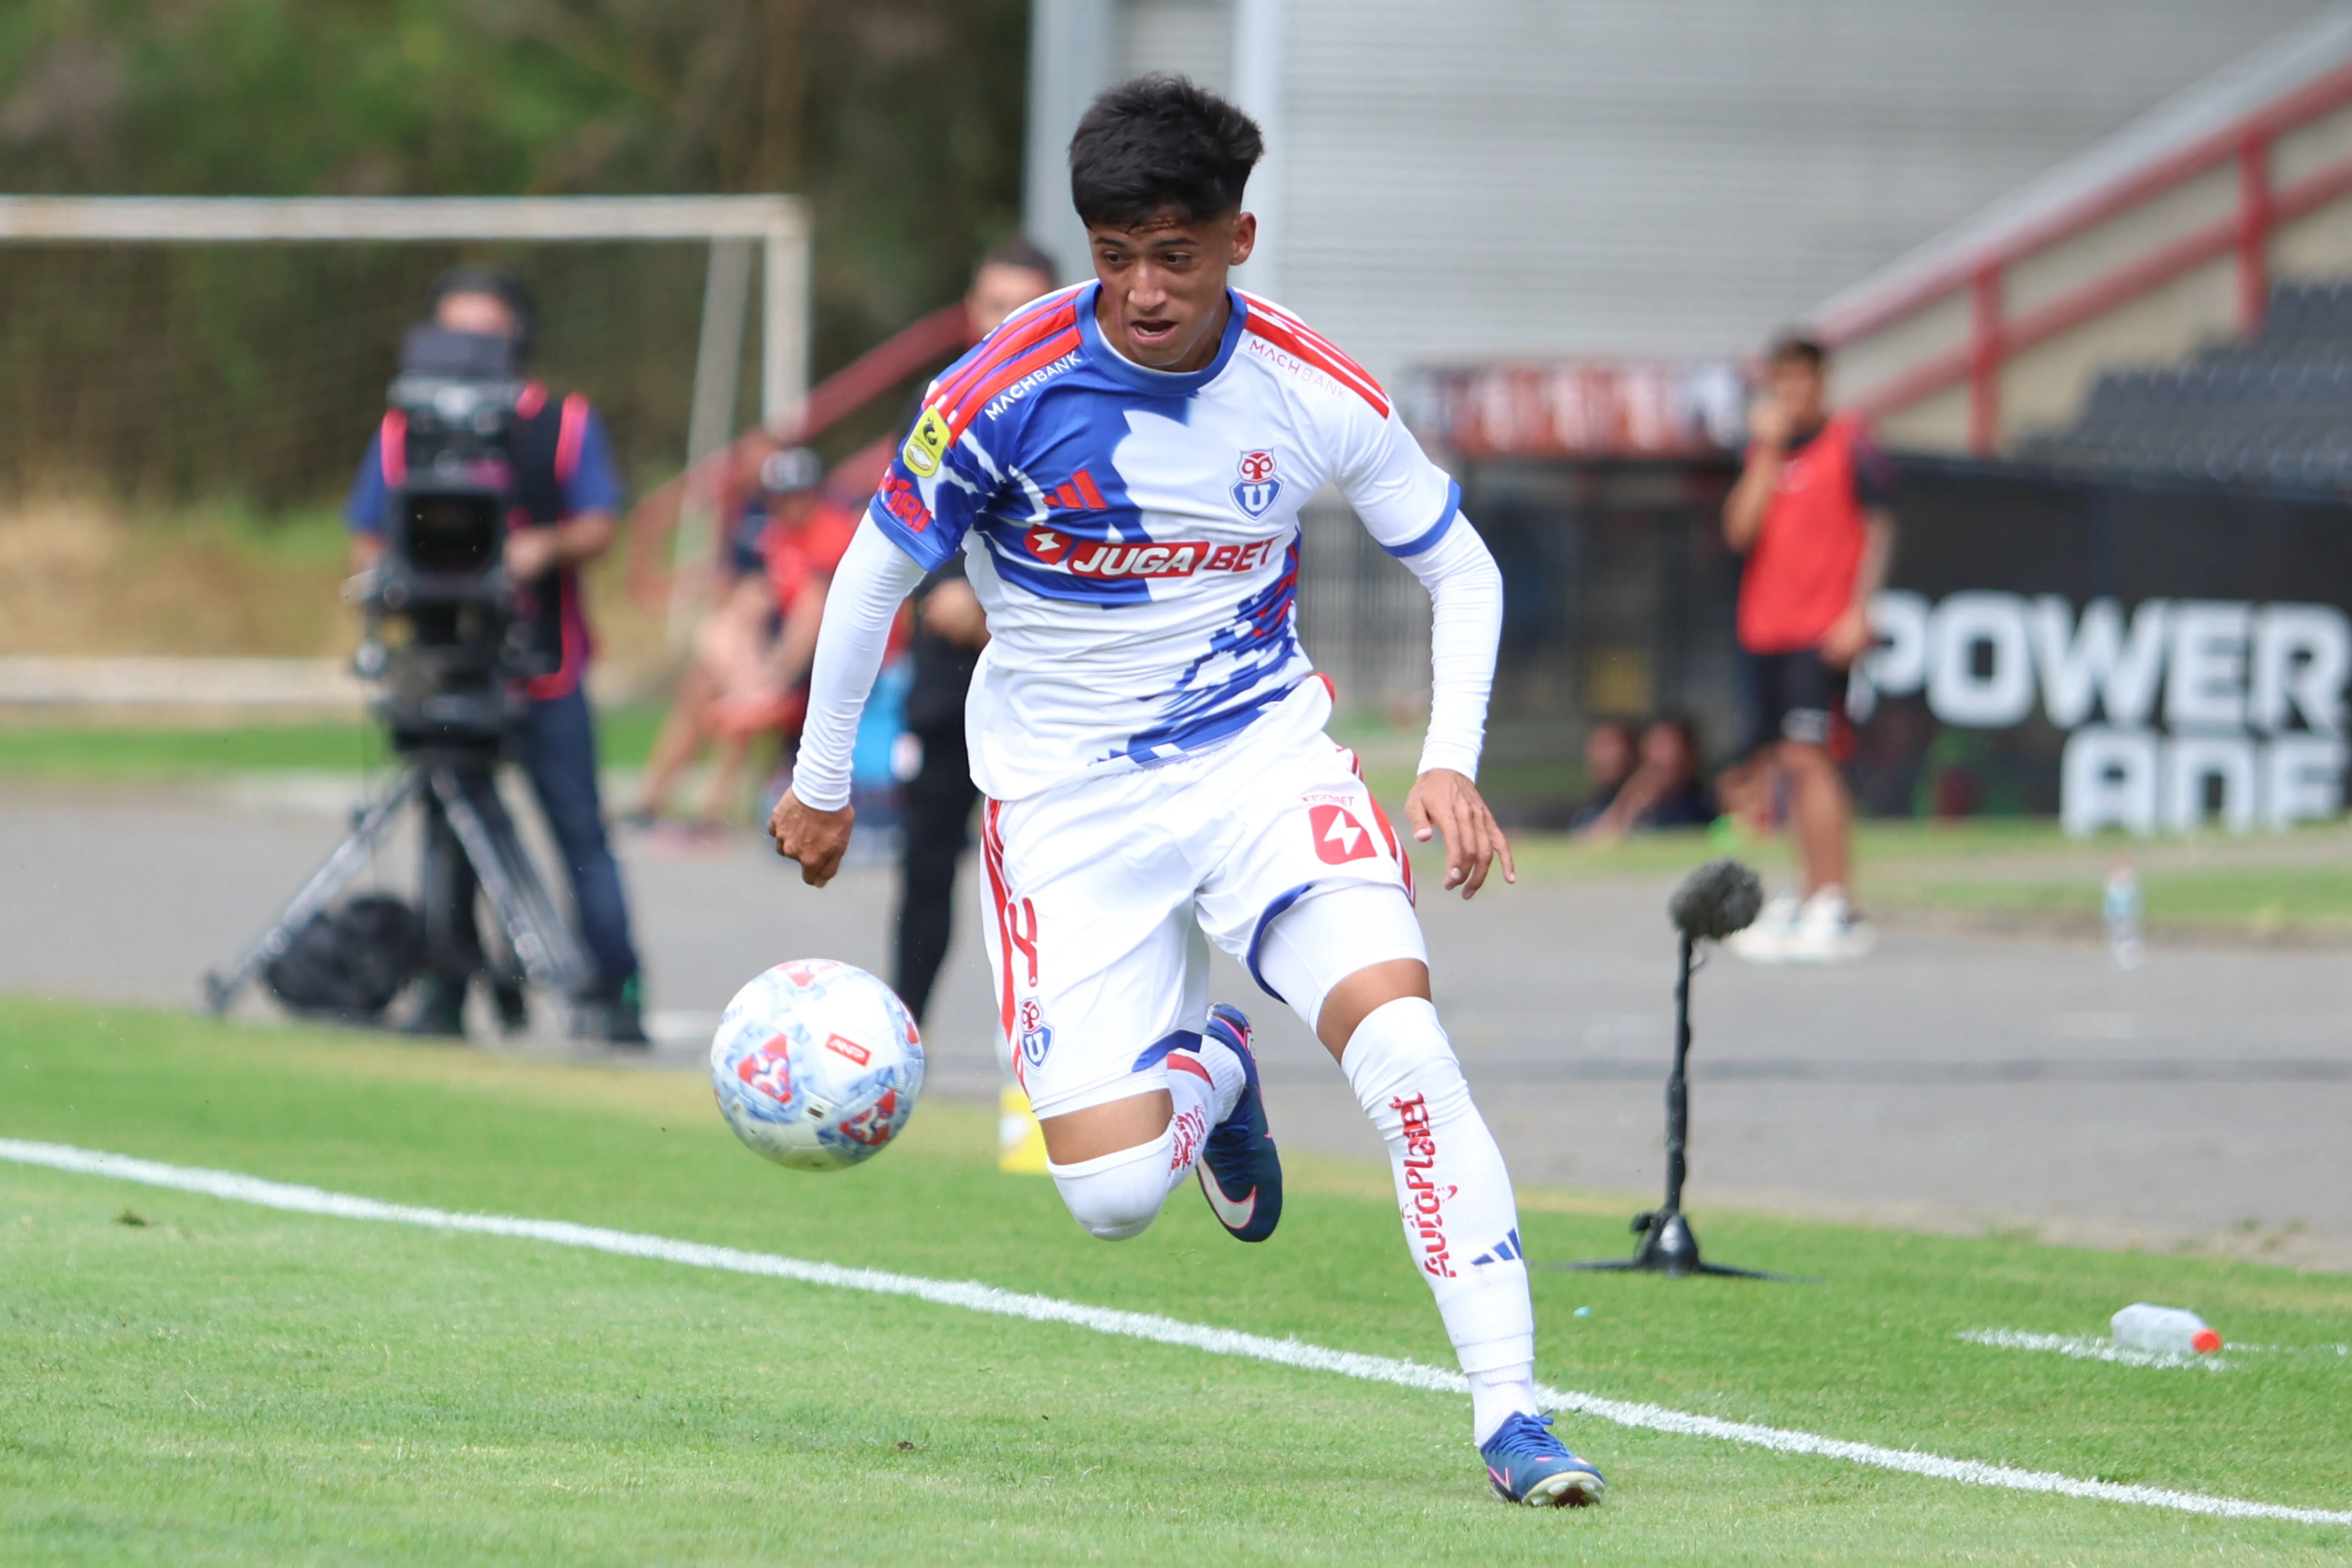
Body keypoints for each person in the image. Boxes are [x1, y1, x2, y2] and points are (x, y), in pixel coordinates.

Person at [767, 76, 1606, 1507]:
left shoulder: (1311, 386)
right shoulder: (994, 392)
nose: (1145, 291)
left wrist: (1448, 758)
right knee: (1106, 1198)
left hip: (1258, 764)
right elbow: (871, 576)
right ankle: (1212, 1067)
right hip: (1065, 805)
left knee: (1403, 1045)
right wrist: (821, 780)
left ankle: (1512, 1409)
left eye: (1176, 254)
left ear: (1238, 239)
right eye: (1116, 257)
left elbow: (1458, 566)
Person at [345, 266, 646, 1042]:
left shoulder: (563, 423)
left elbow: (600, 522)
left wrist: (536, 550)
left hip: (544, 666)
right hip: (445, 668)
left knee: (580, 835)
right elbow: (366, 538)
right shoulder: (403, 429)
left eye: (485, 334)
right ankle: (446, 988)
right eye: (454, 333)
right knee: (449, 837)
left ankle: (615, 990)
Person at [894, 239, 1060, 1027]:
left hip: (1050, 696)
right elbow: (898, 529)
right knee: (926, 872)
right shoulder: (939, 406)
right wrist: (946, 589)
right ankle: (901, 1037)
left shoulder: (1084, 409)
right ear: (971, 310)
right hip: (949, 691)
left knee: (1049, 880)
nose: (1007, 324)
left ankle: (1051, 1054)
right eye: (996, 306)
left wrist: (997, 610)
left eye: (1025, 308)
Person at [1720, 333, 1896, 963]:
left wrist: (1859, 610)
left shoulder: (1850, 443)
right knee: (1786, 764)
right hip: (1765, 628)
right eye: (1782, 382)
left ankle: (1836, 899)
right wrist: (1767, 451)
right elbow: (1739, 531)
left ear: (1820, 382)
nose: (1792, 393)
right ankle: (1808, 891)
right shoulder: (1762, 453)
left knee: (1810, 757)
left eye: (1803, 380)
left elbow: (1878, 527)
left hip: (1820, 630)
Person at [629, 448, 851, 830]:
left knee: (741, 689)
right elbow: (749, 591)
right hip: (776, 649)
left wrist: (770, 671)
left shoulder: (832, 533)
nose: (789, 506)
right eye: (781, 498)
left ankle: (711, 805)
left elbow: (813, 614)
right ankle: (655, 798)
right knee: (706, 678)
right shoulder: (774, 534)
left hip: (820, 659)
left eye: (798, 496)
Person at [1578, 716, 1716, 840]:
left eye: (1674, 746)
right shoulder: (1619, 802)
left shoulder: (1708, 802)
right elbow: (1590, 843)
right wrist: (1629, 806)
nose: (1667, 757)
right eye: (1659, 746)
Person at [1566, 718, 1637, 830]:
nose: (1612, 754)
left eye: (1615, 745)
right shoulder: (1583, 812)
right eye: (1602, 745)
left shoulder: (1649, 807)